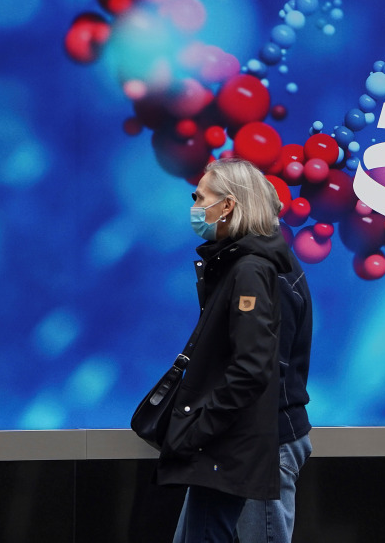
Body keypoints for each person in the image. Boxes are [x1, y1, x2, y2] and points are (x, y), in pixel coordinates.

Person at [156, 158, 293, 543]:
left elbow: (251, 367)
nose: (195, 206)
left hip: (223, 447)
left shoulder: (249, 269)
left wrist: (198, 429)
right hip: (221, 447)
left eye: (200, 197)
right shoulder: (235, 265)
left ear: (228, 205)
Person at [236, 247, 313, 543]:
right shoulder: (241, 264)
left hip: (264, 440)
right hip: (235, 440)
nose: (197, 206)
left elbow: (261, 372)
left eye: (202, 197)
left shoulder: (265, 270)